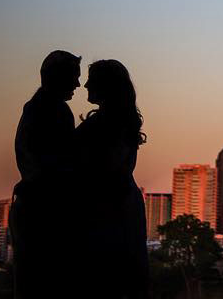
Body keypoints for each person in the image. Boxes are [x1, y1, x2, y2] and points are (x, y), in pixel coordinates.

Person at [10, 50, 81, 299]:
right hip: (43, 211)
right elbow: (59, 163)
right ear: (57, 77)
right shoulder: (54, 111)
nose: (78, 84)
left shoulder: (38, 108)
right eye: (74, 76)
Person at [76, 59, 149, 299]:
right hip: (120, 207)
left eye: (92, 80)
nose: (85, 84)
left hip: (110, 211)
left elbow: (103, 169)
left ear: (107, 87)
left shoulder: (108, 126)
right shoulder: (118, 124)